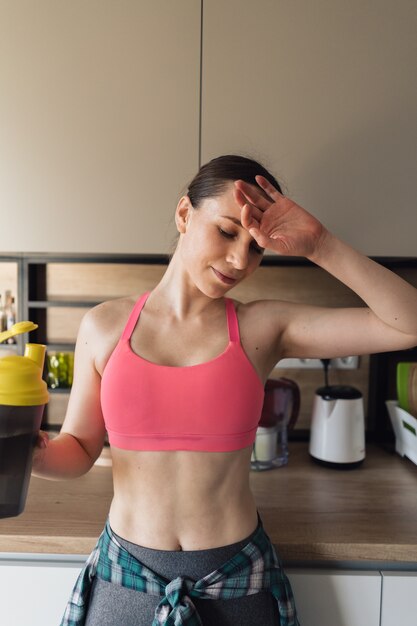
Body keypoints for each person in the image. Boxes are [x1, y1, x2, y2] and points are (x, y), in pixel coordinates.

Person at [32, 154, 417, 626]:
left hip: (235, 582)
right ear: (183, 214)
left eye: (257, 249)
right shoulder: (104, 326)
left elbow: (407, 325)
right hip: (127, 578)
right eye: (228, 232)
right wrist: (28, 454)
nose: (240, 261)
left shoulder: (262, 327)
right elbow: (80, 448)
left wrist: (320, 246)